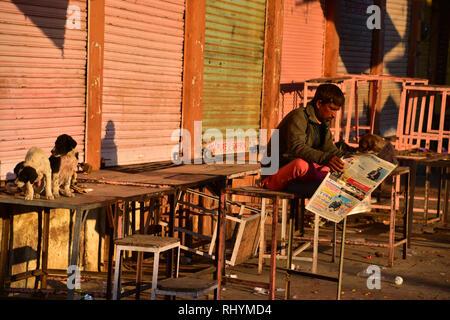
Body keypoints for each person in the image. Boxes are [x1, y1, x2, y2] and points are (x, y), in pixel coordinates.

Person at [262, 84, 345, 191]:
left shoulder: (323, 123)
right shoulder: (298, 116)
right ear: (319, 104)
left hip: (299, 173)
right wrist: (325, 158)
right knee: (301, 164)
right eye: (331, 109)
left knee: (331, 168)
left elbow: (329, 148)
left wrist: (348, 159)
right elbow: (297, 147)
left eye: (336, 111)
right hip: (274, 172)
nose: (334, 115)